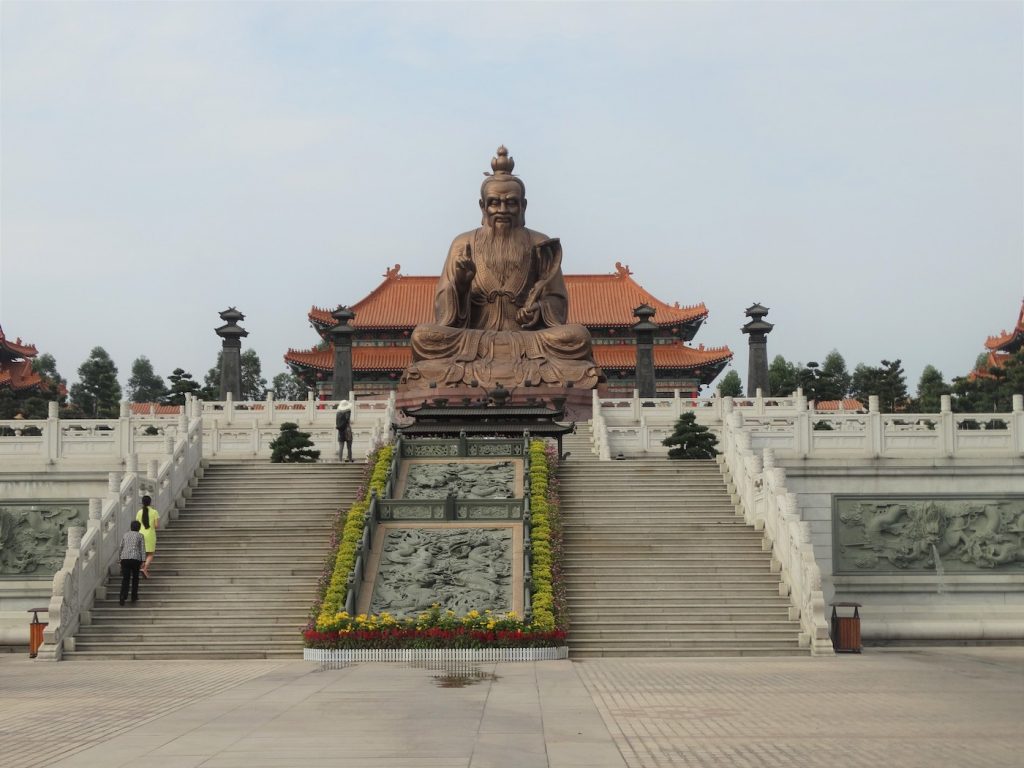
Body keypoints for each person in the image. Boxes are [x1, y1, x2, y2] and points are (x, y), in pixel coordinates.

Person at [405, 146, 601, 390]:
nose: (502, 210)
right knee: (422, 336)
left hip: (529, 341)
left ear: (523, 205)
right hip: (473, 340)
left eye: (511, 203)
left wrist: (538, 310)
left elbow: (557, 301)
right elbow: (443, 314)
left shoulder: (539, 242)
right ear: (482, 206)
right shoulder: (463, 243)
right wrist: (462, 285)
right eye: (494, 203)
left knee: (578, 336)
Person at [118, 520, 145, 605]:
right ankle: (134, 596)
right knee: (135, 578)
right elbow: (142, 549)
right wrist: (143, 560)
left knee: (125, 578)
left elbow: (121, 547)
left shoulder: (125, 535)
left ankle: (123, 596)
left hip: (125, 559)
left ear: (131, 527)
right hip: (135, 559)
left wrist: (120, 558)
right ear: (139, 528)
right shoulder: (140, 536)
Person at [136, 495, 160, 578]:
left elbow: (137, 525)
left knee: (142, 553)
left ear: (142, 502)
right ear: (150, 502)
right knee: (150, 554)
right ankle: (145, 568)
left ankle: (141, 566)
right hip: (150, 534)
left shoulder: (139, 512)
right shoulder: (154, 512)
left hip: (140, 534)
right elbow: (157, 525)